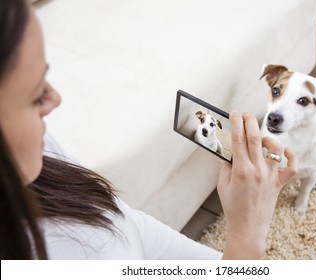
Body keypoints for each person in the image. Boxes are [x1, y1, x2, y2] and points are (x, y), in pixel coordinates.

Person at [0, 0, 297, 260]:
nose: (55, 99)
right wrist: (246, 241)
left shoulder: (42, 151)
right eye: (35, 92)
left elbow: (123, 221)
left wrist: (226, 261)